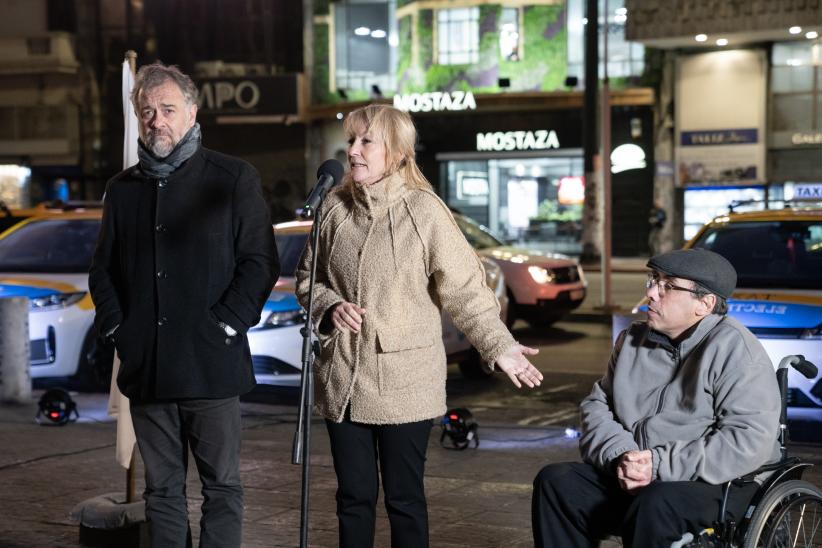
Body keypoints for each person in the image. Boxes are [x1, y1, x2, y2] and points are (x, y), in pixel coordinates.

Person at [295, 104, 543, 548]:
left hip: (404, 384)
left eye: (365, 141)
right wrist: (329, 306)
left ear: (397, 152)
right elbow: (307, 279)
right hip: (342, 382)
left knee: (404, 499)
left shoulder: (424, 212)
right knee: (353, 497)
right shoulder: (333, 208)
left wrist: (498, 345)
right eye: (351, 140)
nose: (352, 150)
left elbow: (466, 290)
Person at [89, 62, 278, 548]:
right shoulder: (123, 188)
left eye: (168, 109)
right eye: (148, 111)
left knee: (222, 486)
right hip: (147, 367)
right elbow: (102, 270)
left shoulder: (233, 177)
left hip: (211, 364)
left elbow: (259, 263)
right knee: (162, 490)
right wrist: (119, 329)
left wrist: (226, 325)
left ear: (192, 112)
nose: (158, 120)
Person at [531, 248, 780, 548]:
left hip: (720, 480)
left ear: (705, 303)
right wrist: (622, 457)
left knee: (657, 502)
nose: (651, 292)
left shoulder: (736, 351)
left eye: (668, 286)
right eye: (653, 280)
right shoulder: (632, 341)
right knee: (556, 482)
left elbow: (748, 439)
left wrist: (659, 465)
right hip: (639, 471)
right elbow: (598, 407)